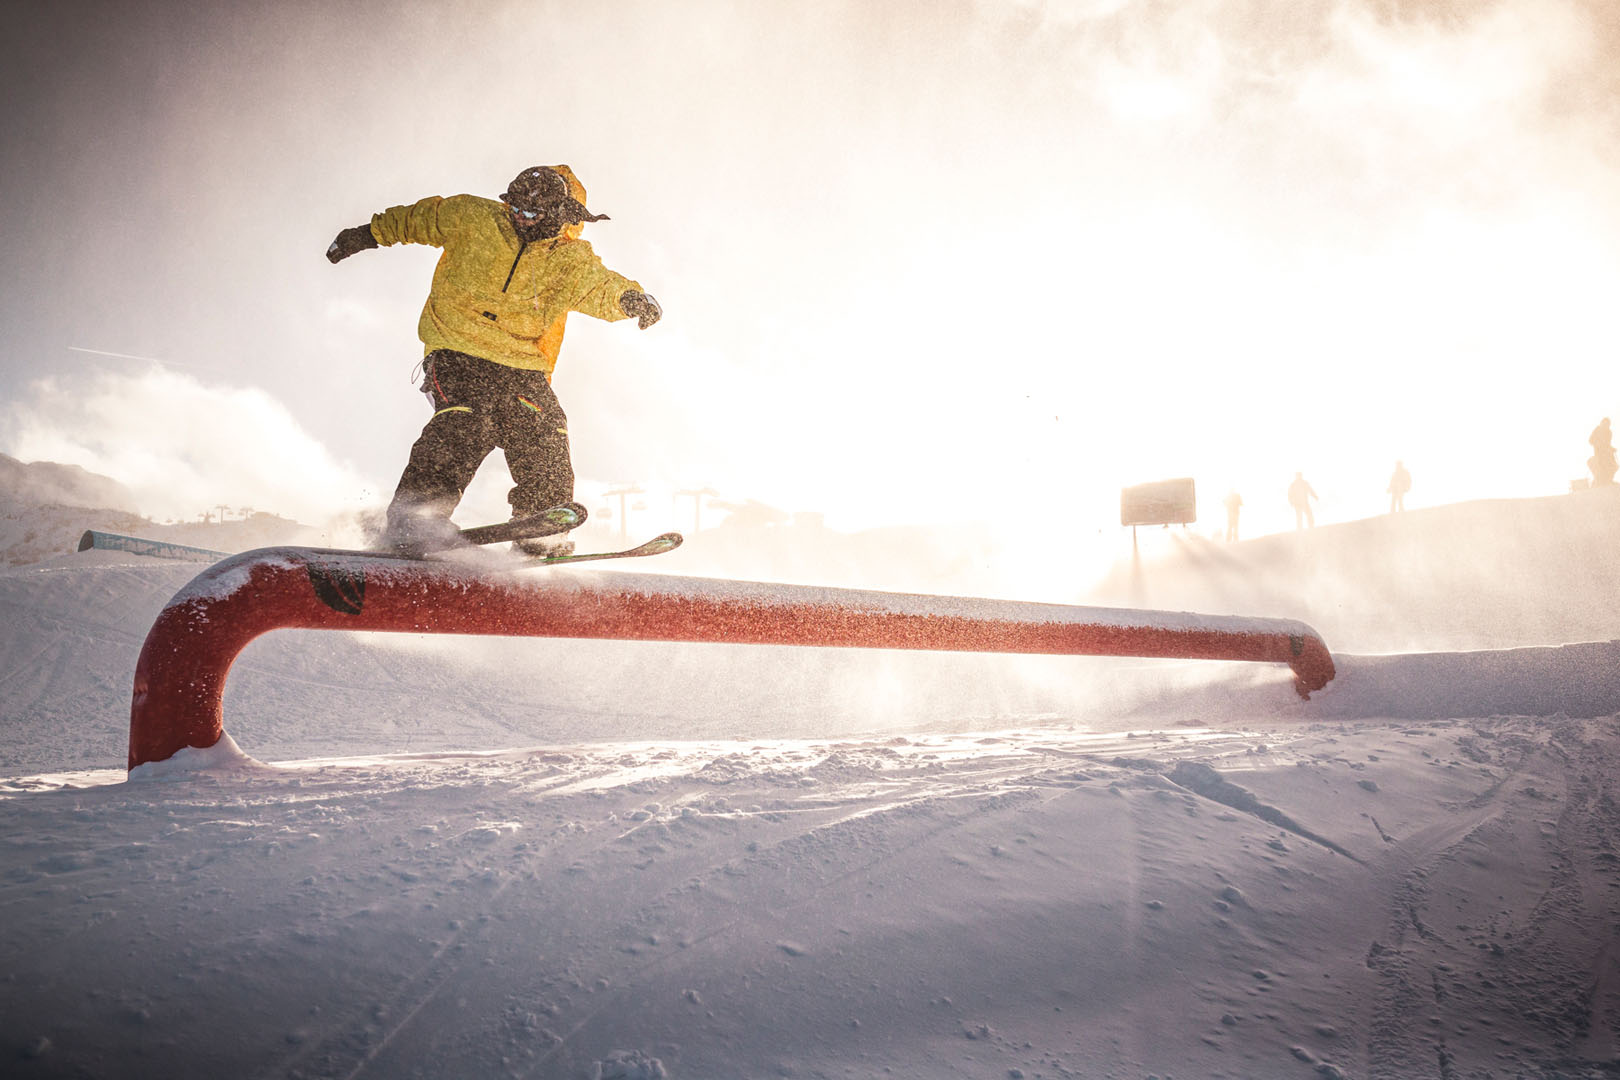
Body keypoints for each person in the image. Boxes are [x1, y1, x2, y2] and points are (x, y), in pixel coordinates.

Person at [326, 165, 662, 555]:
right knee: (467, 418)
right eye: (515, 208)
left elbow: (600, 285)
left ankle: (540, 527)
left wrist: (630, 299)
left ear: (558, 213)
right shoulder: (474, 217)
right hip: (457, 349)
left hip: (522, 365)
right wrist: (366, 234)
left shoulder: (569, 259)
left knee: (544, 429)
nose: (521, 218)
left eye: (533, 213)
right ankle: (415, 517)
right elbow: (420, 218)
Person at [1590, 418, 1617, 487]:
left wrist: (1611, 449)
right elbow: (1590, 440)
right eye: (1604, 424)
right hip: (1599, 453)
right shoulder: (1597, 430)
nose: (1606, 426)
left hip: (1607, 453)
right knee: (1602, 467)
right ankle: (1600, 481)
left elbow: (1608, 444)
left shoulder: (1609, 432)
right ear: (1601, 423)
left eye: (1608, 424)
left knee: (1614, 466)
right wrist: (1599, 444)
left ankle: (1609, 480)